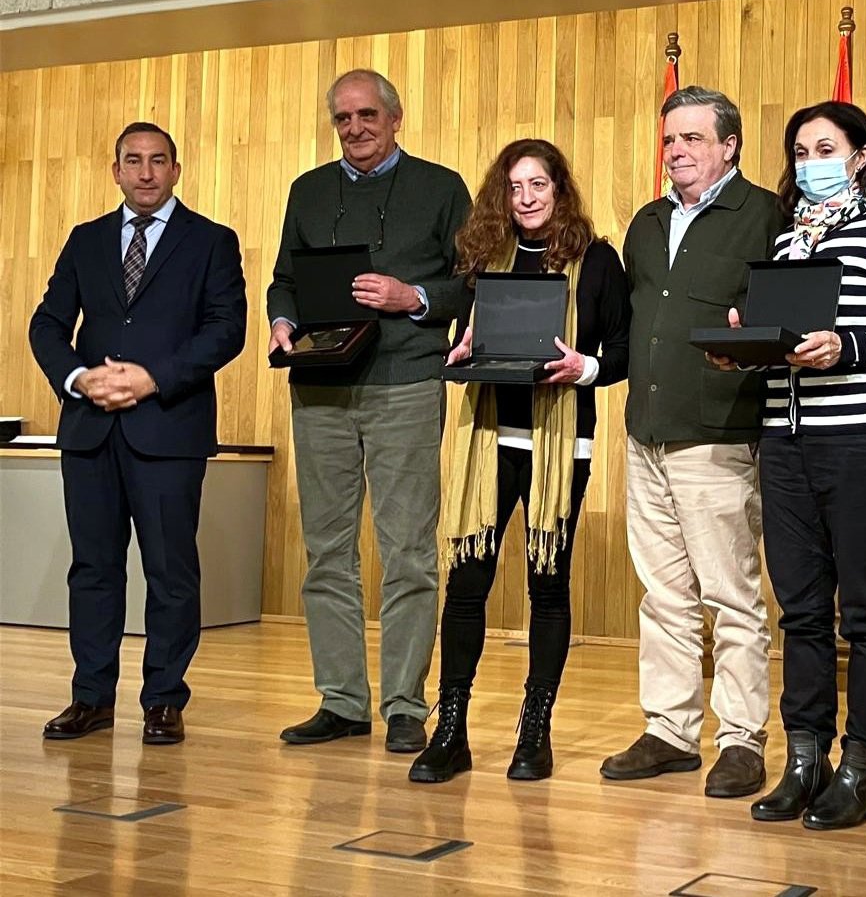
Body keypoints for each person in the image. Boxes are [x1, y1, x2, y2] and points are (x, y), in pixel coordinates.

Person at [710, 101, 866, 828]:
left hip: (862, 446)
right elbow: (785, 345)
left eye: (825, 148)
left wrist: (849, 346)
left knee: (865, 613)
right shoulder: (786, 243)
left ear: (860, 156)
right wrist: (745, 347)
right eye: (800, 151)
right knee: (802, 612)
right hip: (786, 445)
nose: (810, 161)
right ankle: (804, 760)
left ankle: (861, 766)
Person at [408, 139, 630, 784]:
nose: (526, 198)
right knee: (466, 584)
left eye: (538, 185)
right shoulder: (486, 258)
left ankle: (535, 732)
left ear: (560, 189)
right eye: (514, 187)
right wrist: (461, 349)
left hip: (563, 443)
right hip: (490, 437)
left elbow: (622, 351)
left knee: (547, 586)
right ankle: (450, 731)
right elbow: (476, 339)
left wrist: (583, 367)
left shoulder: (596, 261)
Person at [267, 69, 471, 753]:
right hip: (319, 386)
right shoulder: (308, 190)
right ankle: (342, 700)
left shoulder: (440, 188)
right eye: (343, 118)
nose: (354, 128)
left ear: (395, 117)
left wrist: (414, 297)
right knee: (326, 551)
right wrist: (281, 321)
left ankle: (406, 704)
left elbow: (469, 284)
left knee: (408, 550)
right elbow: (284, 280)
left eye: (367, 115)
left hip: (404, 382)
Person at [30, 121, 247, 745]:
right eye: (133, 160)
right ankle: (91, 697)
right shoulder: (85, 240)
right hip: (90, 430)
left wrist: (153, 379)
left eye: (158, 160)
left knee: (170, 572)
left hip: (169, 429)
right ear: (116, 170)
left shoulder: (211, 241)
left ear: (176, 170)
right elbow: (47, 324)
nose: (145, 172)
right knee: (92, 570)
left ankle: (163, 700)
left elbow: (226, 329)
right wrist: (78, 378)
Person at [599, 86, 786, 798]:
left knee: (731, 596)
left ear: (729, 146)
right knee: (664, 594)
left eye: (693, 138)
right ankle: (670, 731)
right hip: (645, 430)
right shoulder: (647, 223)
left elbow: (779, 329)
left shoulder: (765, 214)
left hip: (718, 434)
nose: (676, 150)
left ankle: (741, 740)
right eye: (670, 139)